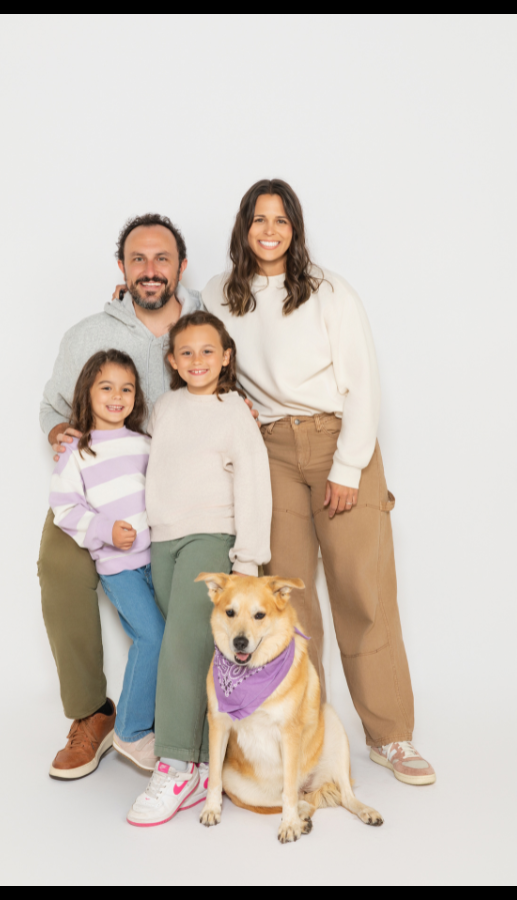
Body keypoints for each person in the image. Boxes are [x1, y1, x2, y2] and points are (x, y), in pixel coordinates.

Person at [200, 178, 434, 785]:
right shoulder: (219, 293)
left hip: (336, 441)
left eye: (281, 220)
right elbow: (197, 353)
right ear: (243, 227)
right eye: (259, 219)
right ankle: (305, 742)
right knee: (286, 606)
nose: (270, 230)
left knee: (363, 592)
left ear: (295, 229)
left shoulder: (330, 292)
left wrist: (350, 466)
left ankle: (391, 736)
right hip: (271, 452)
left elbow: (364, 381)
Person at [41, 214, 258, 780]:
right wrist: (60, 435)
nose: (150, 269)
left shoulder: (204, 324)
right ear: (122, 269)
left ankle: (207, 723)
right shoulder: (88, 333)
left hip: (171, 502)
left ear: (182, 267)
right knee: (58, 570)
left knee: (188, 607)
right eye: (138, 259)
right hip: (96, 490)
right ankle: (94, 714)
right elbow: (51, 406)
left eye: (162, 258)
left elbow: (236, 384)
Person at [125, 310, 272, 826]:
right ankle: (209, 764)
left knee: (179, 649)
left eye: (208, 351)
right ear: (171, 360)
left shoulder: (233, 411)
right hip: (162, 542)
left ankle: (174, 763)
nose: (197, 361)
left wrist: (248, 560)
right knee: (193, 650)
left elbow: (255, 482)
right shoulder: (164, 408)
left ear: (226, 357)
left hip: (212, 538)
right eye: (185, 352)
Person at [48, 350, 163, 781]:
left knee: (171, 640)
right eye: (106, 387)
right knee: (152, 637)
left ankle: (166, 727)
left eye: (127, 388)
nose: (117, 396)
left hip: (158, 563)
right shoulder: (77, 451)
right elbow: (64, 508)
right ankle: (131, 730)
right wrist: (104, 530)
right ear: (87, 393)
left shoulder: (145, 444)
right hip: (120, 567)